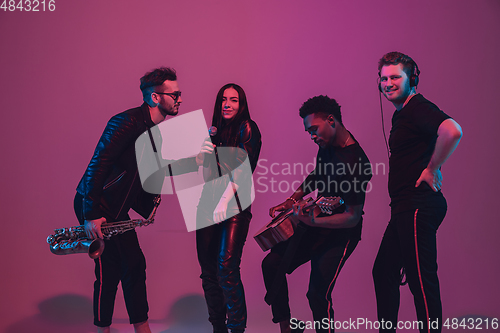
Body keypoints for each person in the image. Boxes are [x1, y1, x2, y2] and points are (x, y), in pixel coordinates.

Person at [74, 67, 211, 333]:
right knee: (108, 269)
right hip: (96, 203)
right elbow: (98, 164)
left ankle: (141, 327)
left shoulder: (155, 130)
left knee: (134, 264)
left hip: (116, 208)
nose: (180, 99)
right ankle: (104, 328)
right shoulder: (125, 122)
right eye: (175, 94)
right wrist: (90, 212)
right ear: (155, 98)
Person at [262, 95, 372, 333]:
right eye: (308, 132)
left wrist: (312, 219)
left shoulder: (356, 163)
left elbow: (352, 216)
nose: (312, 136)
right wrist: (292, 199)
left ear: (331, 120)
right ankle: (288, 328)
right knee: (272, 264)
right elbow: (317, 175)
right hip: (316, 224)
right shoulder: (327, 146)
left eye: (314, 129)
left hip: (342, 234)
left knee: (317, 294)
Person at [372, 52, 462, 333]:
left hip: (417, 206)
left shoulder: (417, 108)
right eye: (384, 78)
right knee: (384, 271)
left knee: (421, 280)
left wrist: (433, 167)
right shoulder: (402, 115)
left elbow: (452, 130)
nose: (388, 83)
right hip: (403, 207)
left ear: (413, 78)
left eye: (395, 77)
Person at [196, 83, 262, 333]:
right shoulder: (214, 132)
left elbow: (244, 170)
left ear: (241, 104)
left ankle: (236, 328)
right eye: (224, 99)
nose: (227, 104)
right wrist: (205, 151)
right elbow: (206, 175)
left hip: (234, 205)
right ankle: (218, 328)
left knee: (226, 266)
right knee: (208, 272)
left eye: (233, 100)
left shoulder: (247, 128)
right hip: (207, 205)